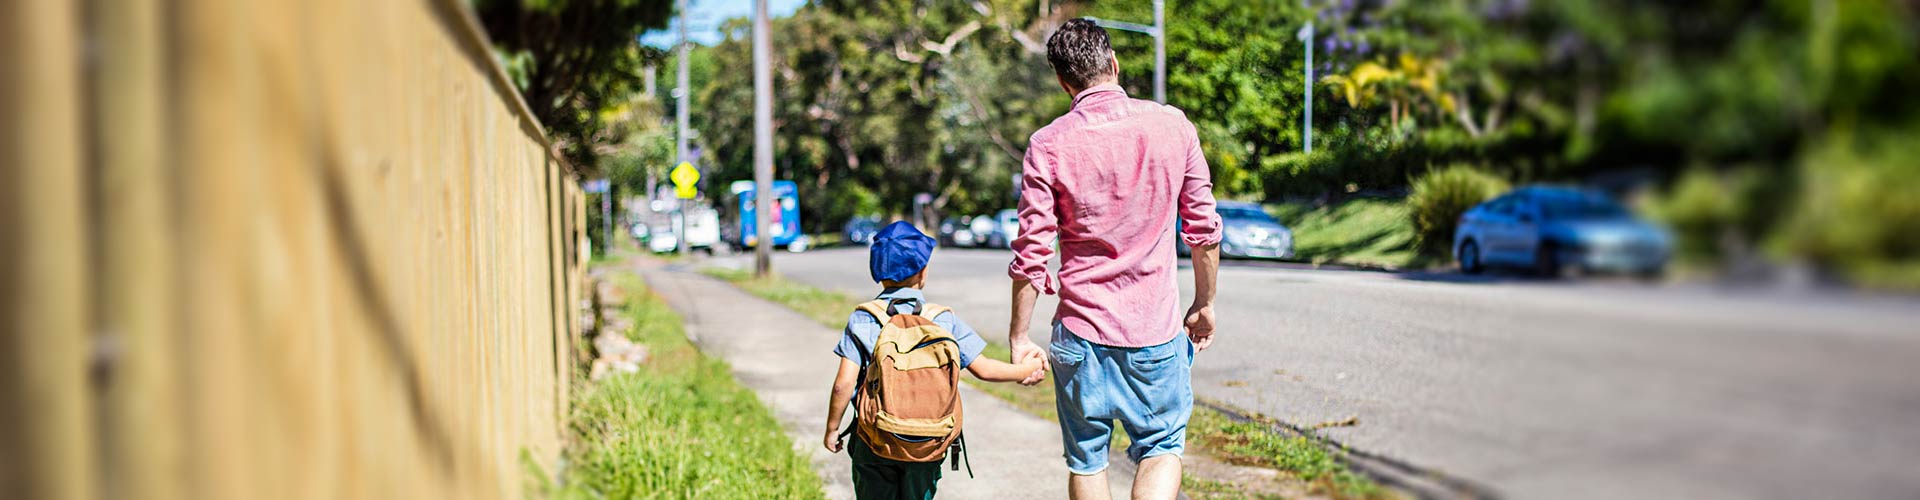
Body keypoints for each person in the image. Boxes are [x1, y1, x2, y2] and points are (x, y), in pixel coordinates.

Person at [1006, 19, 1223, 500]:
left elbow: (1032, 251)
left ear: (1065, 83)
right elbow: (1203, 231)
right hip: (1156, 334)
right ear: (1115, 65)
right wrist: (1204, 303)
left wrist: (1020, 337)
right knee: (1162, 447)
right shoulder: (1174, 126)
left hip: (1081, 335)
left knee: (1087, 460)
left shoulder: (1048, 144)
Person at [823, 221, 1047, 499]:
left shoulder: (864, 318)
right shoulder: (942, 319)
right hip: (928, 441)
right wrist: (1027, 368)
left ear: (877, 273)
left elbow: (842, 385)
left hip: (874, 439)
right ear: (923, 272)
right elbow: (984, 369)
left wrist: (832, 429)